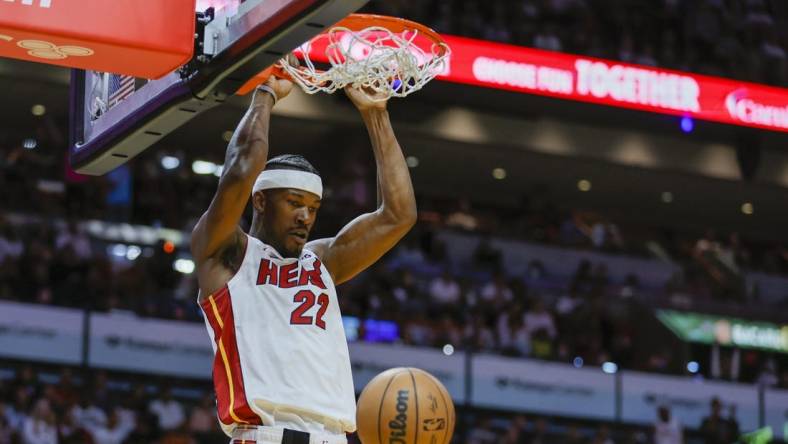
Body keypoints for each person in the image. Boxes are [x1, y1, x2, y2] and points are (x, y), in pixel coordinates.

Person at [190, 69, 416, 444]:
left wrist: (376, 113)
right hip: (265, 435)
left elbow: (398, 215)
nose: (305, 217)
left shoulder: (322, 261)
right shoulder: (226, 255)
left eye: (313, 208)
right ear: (260, 201)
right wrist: (265, 93)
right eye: (294, 203)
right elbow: (242, 167)